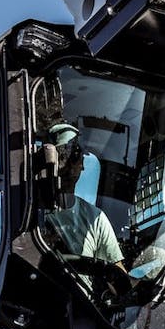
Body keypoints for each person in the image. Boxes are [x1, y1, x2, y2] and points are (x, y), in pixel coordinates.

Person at [40, 122, 125, 296]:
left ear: (82, 165)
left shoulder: (95, 219)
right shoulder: (28, 211)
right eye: (62, 155)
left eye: (75, 156)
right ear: (49, 162)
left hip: (82, 307)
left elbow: (118, 277)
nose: (69, 166)